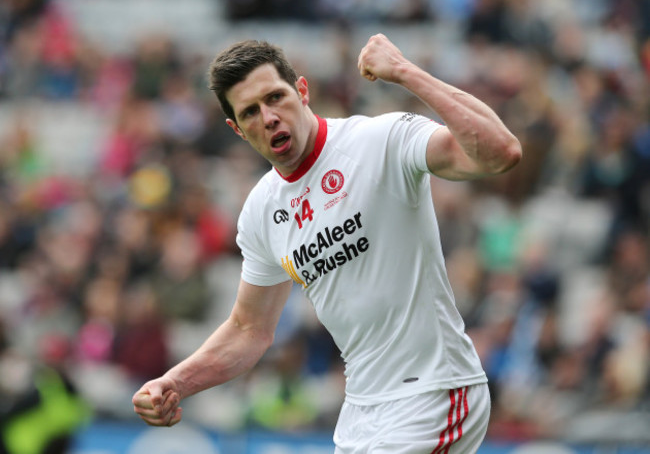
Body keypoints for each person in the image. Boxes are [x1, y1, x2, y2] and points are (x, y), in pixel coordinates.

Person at [132, 33, 522, 453]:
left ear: (302, 90)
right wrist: (174, 383)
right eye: (250, 112)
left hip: (434, 392)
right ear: (237, 130)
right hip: (361, 412)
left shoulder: (378, 141)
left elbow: (501, 152)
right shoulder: (262, 210)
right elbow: (248, 330)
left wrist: (405, 73)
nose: (268, 117)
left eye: (276, 97)